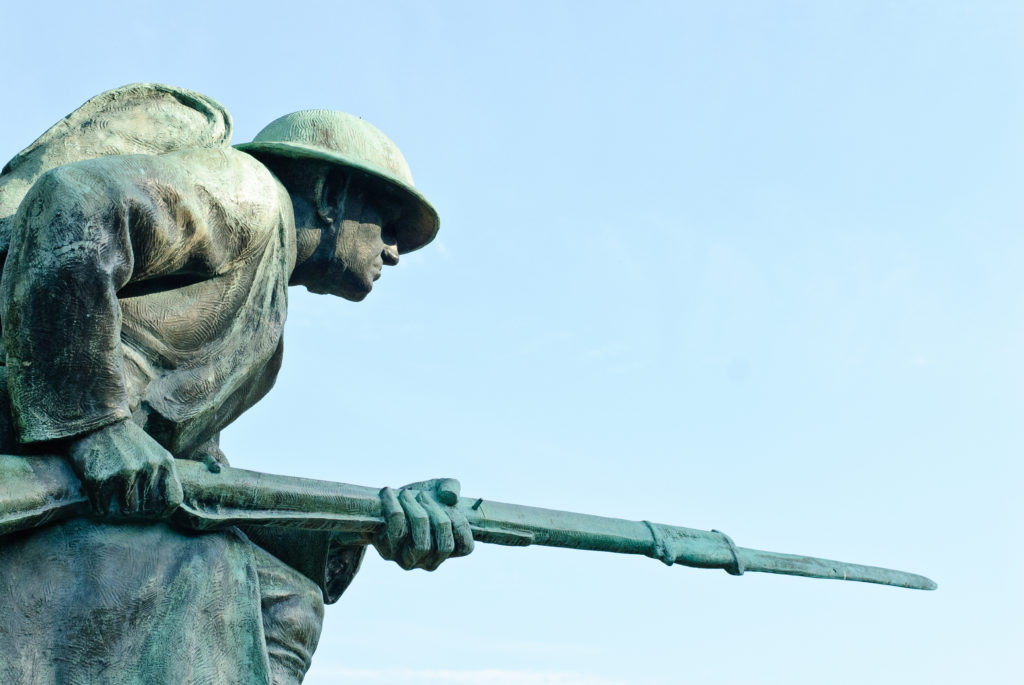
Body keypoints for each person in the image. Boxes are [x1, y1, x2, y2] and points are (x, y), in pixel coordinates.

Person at [0, 84, 469, 684]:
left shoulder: (264, 339)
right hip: (36, 442)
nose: (396, 249)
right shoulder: (248, 195)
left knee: (286, 603)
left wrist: (368, 525)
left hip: (78, 477)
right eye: (388, 220)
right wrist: (97, 427)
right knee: (211, 569)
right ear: (328, 194)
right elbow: (73, 202)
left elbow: (200, 484)